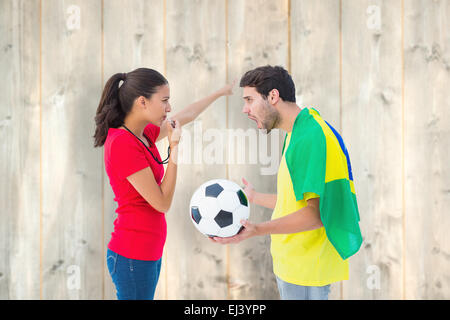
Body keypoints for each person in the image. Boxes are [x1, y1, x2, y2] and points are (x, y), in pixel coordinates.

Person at [211, 65, 362, 300]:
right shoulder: (298, 132)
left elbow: (316, 214)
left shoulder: (310, 138)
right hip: (295, 264)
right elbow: (296, 202)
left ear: (273, 96)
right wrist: (254, 197)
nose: (245, 109)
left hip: (306, 268)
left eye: (249, 100)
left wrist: (256, 230)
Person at [93, 67, 235, 300]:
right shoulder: (122, 144)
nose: (169, 108)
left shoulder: (140, 134)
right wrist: (175, 147)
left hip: (146, 251)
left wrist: (220, 93)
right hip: (133, 254)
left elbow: (185, 116)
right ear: (142, 102)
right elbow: (162, 203)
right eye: (165, 101)